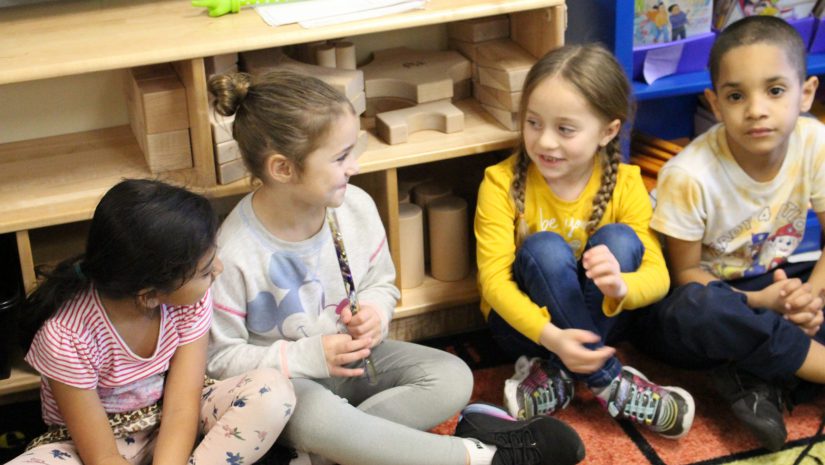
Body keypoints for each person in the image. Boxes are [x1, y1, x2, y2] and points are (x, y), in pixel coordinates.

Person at [204, 69, 585, 465]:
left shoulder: (355, 207)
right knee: (318, 418)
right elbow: (219, 361)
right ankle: (481, 456)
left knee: (453, 377)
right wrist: (307, 357)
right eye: (339, 157)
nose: (354, 165)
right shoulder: (232, 252)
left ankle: (340, 452)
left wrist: (374, 313)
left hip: (358, 366)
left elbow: (381, 284)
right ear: (282, 168)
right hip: (291, 387)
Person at [474, 43, 695, 439]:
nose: (544, 142)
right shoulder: (500, 182)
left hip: (602, 321)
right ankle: (609, 382)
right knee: (544, 248)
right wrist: (554, 338)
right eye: (533, 123)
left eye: (565, 129)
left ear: (608, 131)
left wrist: (622, 286)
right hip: (527, 330)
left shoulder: (626, 183)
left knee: (620, 240)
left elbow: (660, 276)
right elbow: (493, 282)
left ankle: (557, 378)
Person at [636, 15, 825, 452]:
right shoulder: (688, 175)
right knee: (696, 311)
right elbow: (685, 276)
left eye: (775, 90)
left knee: (789, 310)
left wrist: (812, 297)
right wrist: (763, 303)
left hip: (773, 282)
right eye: (736, 95)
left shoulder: (814, 142)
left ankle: (756, 377)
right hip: (703, 300)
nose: (756, 109)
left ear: (806, 94)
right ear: (715, 104)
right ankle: (799, 371)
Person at [6, 179, 294, 465]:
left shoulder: (189, 300)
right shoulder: (65, 336)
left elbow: (182, 406)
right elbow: (101, 455)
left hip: (172, 421)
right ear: (150, 296)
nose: (218, 270)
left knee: (272, 391)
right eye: (205, 271)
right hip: (90, 444)